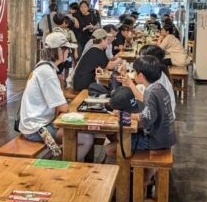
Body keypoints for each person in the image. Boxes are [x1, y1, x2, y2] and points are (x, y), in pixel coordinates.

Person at [18, 32, 93, 160]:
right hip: (37, 129)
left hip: (34, 124)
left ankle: (51, 158)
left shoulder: (44, 67)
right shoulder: (47, 72)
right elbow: (63, 108)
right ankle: (66, 171)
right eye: (67, 49)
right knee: (86, 138)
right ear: (59, 50)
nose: (68, 53)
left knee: (78, 134)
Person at [107, 56, 177, 181]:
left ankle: (131, 181)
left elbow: (146, 120)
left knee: (111, 149)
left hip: (156, 140)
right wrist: (127, 114)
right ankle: (142, 175)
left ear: (140, 76)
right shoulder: (159, 87)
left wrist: (124, 117)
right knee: (118, 140)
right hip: (167, 136)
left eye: (133, 72)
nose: (132, 74)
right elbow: (148, 114)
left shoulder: (151, 93)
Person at [139, 44, 176, 112]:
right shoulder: (157, 73)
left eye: (142, 58)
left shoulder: (157, 79)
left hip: (159, 119)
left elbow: (148, 101)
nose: (139, 61)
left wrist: (129, 84)